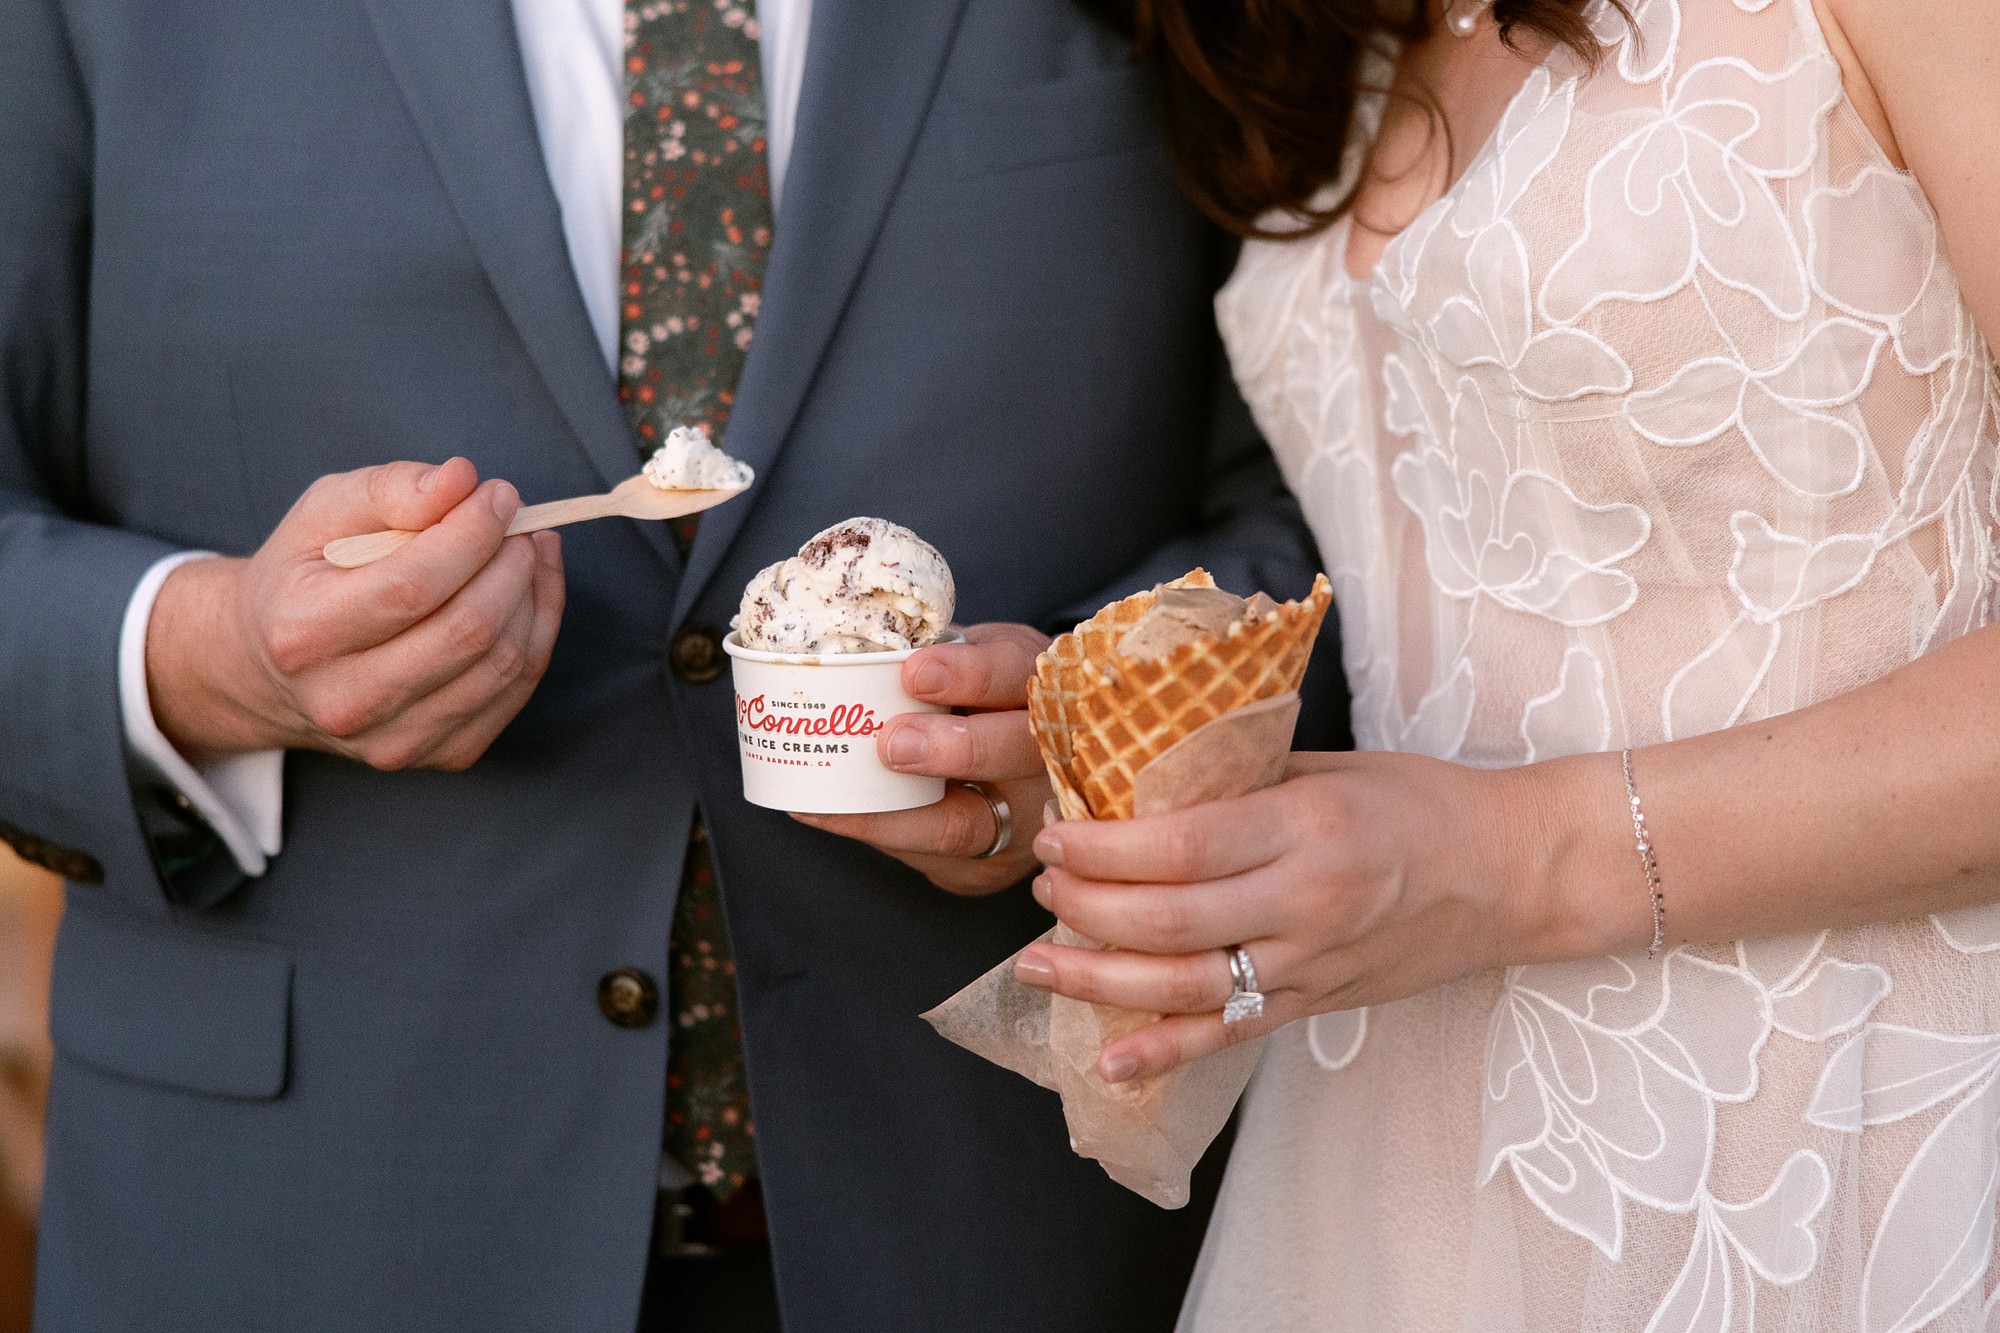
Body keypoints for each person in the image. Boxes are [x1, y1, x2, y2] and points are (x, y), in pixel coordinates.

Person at [0, 2, 1336, 1329]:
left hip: (1008, 1223)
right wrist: (209, 656)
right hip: (295, 1227)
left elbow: (1353, 497)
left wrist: (1109, 744)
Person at [1002, 0, 2000, 1326]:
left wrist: (1504, 856)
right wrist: (1120, 760)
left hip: (1868, 1137)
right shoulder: (1313, 34)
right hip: (1398, 1166)